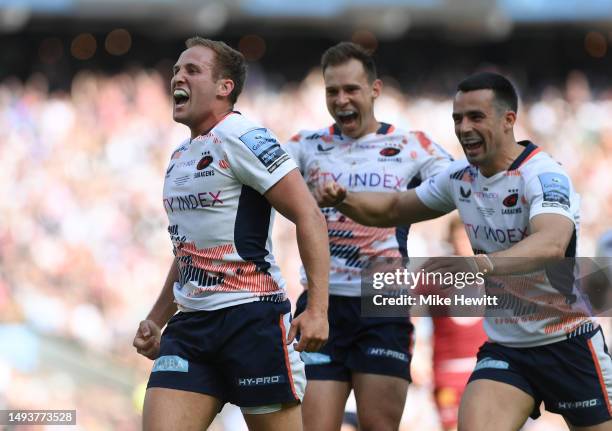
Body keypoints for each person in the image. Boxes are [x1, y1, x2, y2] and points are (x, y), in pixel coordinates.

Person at [316, 72, 612, 431]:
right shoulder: (460, 178)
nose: (464, 127)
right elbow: (394, 207)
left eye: (476, 117)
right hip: (507, 350)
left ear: (508, 121)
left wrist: (480, 265)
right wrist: (344, 199)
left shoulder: (542, 174)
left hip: (568, 343)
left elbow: (551, 242)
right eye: (458, 118)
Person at [132, 37, 330, 431]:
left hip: (250, 319)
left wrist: (318, 310)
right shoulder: (179, 157)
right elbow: (189, 251)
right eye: (176, 70)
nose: (178, 77)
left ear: (225, 87)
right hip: (191, 327)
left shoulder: (244, 136)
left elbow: (308, 214)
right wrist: (157, 319)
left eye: (192, 70)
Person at [284, 41, 452, 431]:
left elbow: (459, 188)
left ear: (374, 90)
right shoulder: (305, 146)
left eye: (351, 90)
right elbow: (259, 176)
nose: (341, 100)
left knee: (378, 425)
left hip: (383, 304)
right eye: (332, 91)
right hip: (321, 304)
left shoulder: (413, 146)